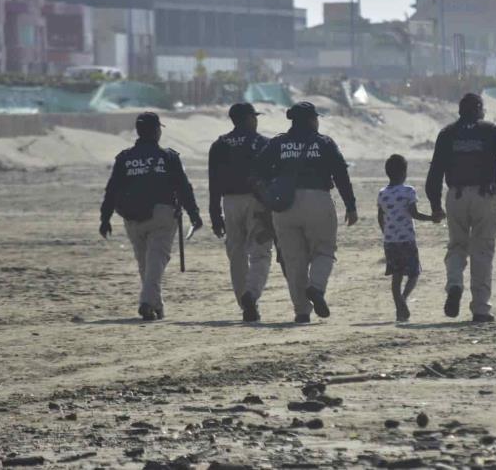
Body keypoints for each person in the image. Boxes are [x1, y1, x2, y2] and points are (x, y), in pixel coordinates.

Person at [256, 101, 358, 324]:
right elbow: (341, 174)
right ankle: (317, 288)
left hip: (284, 205)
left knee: (294, 260)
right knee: (324, 250)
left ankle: (302, 311)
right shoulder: (324, 143)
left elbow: (258, 172)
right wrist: (350, 205)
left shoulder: (278, 143)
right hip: (318, 200)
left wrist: (270, 195)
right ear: (312, 120)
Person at [425, 93, 496, 323]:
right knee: (482, 251)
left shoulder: (447, 134)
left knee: (457, 246)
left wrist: (435, 205)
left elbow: (435, 174)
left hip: (456, 196)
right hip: (484, 196)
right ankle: (480, 309)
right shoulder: (490, 131)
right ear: (479, 109)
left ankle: (455, 285)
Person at [99, 112, 203, 321]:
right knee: (156, 260)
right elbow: (183, 187)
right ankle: (147, 301)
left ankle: (156, 306)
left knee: (145, 263)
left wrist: (105, 218)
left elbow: (111, 190)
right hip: (162, 215)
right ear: (156, 131)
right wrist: (194, 214)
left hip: (132, 217)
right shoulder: (169, 157)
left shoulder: (125, 158)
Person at [209, 102, 272, 323]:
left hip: (229, 202)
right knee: (260, 252)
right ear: (248, 119)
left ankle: (244, 303)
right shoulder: (263, 143)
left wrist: (215, 215)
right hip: (257, 202)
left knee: (236, 254)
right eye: (254, 117)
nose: (256, 121)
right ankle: (251, 295)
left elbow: (213, 183)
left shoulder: (219, 144)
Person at [378, 154, 434, 322]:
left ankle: (399, 305)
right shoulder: (408, 191)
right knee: (414, 274)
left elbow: (380, 217)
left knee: (396, 276)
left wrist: (386, 232)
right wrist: (432, 218)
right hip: (407, 239)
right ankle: (403, 299)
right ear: (404, 173)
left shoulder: (382, 193)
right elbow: (414, 213)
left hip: (390, 241)